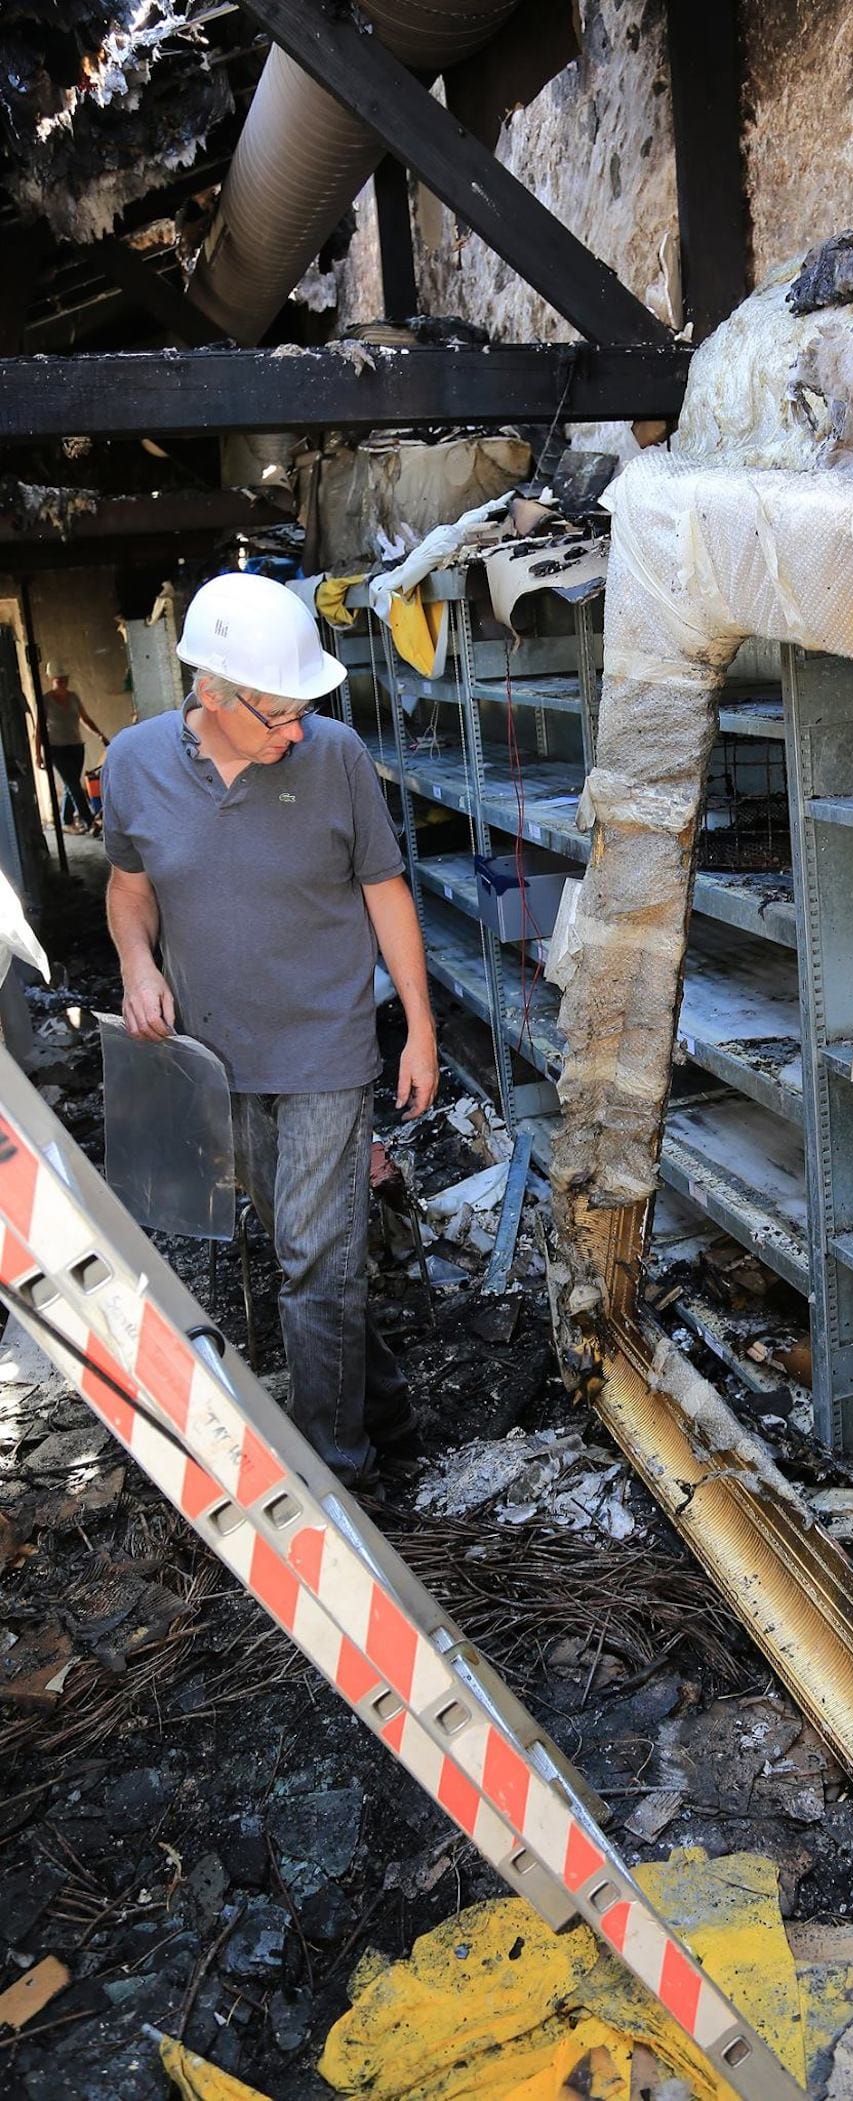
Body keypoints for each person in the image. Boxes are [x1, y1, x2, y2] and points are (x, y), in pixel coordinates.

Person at [100, 571, 439, 1484]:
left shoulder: (335, 758)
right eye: (277, 715)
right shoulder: (132, 765)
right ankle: (389, 1408)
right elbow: (128, 890)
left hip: (327, 1046)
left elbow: (385, 891)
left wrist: (418, 1026)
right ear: (209, 692)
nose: (297, 731)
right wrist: (137, 965)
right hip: (214, 1058)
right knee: (309, 1258)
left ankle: (338, 1477)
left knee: (314, 1265)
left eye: (303, 712)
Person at [38, 668, 108, 834]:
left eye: (65, 679)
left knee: (72, 784)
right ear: (52, 680)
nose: (62, 682)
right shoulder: (46, 700)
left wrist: (100, 735)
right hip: (56, 749)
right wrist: (37, 755)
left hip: (76, 746)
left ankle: (66, 821)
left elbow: (85, 719)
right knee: (74, 786)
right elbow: (39, 728)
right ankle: (91, 822)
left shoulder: (73, 697)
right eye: (58, 680)